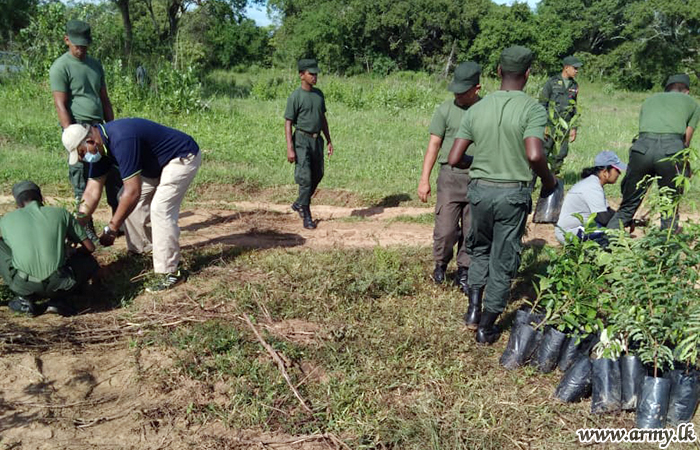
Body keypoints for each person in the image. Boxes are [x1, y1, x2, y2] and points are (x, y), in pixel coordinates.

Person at [448, 46, 557, 344]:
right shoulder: (533, 109)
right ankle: (487, 324)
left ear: (498, 72)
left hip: (480, 191)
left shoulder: (477, 109)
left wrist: (482, 164)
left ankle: (473, 310)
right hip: (512, 194)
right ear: (528, 74)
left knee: (479, 248)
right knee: (503, 256)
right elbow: (534, 154)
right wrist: (550, 182)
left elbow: (455, 157)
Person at [61, 118, 202, 292]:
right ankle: (141, 251)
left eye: (81, 153)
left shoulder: (121, 139)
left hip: (181, 156)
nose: (83, 159)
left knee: (160, 208)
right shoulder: (100, 149)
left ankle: (171, 272)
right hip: (154, 166)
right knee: (124, 199)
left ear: (90, 141)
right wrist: (77, 225)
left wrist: (112, 228)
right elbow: (91, 191)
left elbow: (133, 191)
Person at [49, 20, 122, 242]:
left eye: (85, 46)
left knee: (113, 175)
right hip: (78, 127)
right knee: (82, 179)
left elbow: (104, 98)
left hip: (100, 127)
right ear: (67, 40)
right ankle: (86, 227)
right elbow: (61, 104)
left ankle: (118, 222)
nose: (81, 49)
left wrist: (112, 128)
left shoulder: (95, 65)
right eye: (77, 45)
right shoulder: (60, 67)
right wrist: (71, 134)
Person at [417, 61, 481, 290]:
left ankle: (464, 271)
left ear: (477, 88)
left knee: (471, 230)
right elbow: (434, 145)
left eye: (463, 91)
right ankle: (441, 265)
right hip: (450, 176)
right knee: (445, 229)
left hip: (478, 177)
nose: (458, 96)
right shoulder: (445, 110)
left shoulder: (484, 110)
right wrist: (424, 180)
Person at [608, 74, 700, 231]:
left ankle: (607, 240)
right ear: (687, 91)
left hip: (642, 149)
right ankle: (666, 246)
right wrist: (685, 165)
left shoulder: (649, 100)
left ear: (667, 89)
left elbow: (645, 130)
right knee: (669, 205)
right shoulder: (693, 103)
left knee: (628, 206)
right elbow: (686, 140)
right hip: (670, 151)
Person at [0, 181, 98, 316]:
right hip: (60, 284)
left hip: (24, 286)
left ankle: (24, 300)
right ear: (42, 199)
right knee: (89, 262)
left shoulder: (6, 220)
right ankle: (58, 301)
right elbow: (90, 247)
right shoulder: (61, 213)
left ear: (17, 204)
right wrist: (72, 252)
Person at [285, 58, 334, 229]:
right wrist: (290, 148)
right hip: (301, 139)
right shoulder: (295, 97)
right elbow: (288, 123)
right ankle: (306, 214)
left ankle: (300, 202)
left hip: (316, 140)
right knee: (305, 178)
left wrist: (328, 140)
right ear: (301, 75)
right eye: (311, 74)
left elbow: (322, 118)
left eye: (316, 74)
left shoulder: (318, 94)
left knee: (318, 174)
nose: (315, 77)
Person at [555, 151, 627, 246]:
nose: (619, 173)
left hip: (575, 229)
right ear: (605, 172)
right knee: (612, 235)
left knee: (615, 232)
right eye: (616, 170)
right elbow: (603, 219)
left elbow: (607, 212)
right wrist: (622, 222)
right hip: (570, 232)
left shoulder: (593, 183)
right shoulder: (592, 186)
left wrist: (627, 219)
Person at [539, 56, 582, 174]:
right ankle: (531, 183)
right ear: (566, 68)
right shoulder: (551, 82)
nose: (577, 71)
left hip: (565, 126)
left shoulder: (574, 86)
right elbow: (542, 104)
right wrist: (544, 125)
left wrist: (574, 128)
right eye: (575, 68)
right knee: (543, 153)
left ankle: (552, 181)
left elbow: (574, 107)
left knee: (560, 154)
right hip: (550, 124)